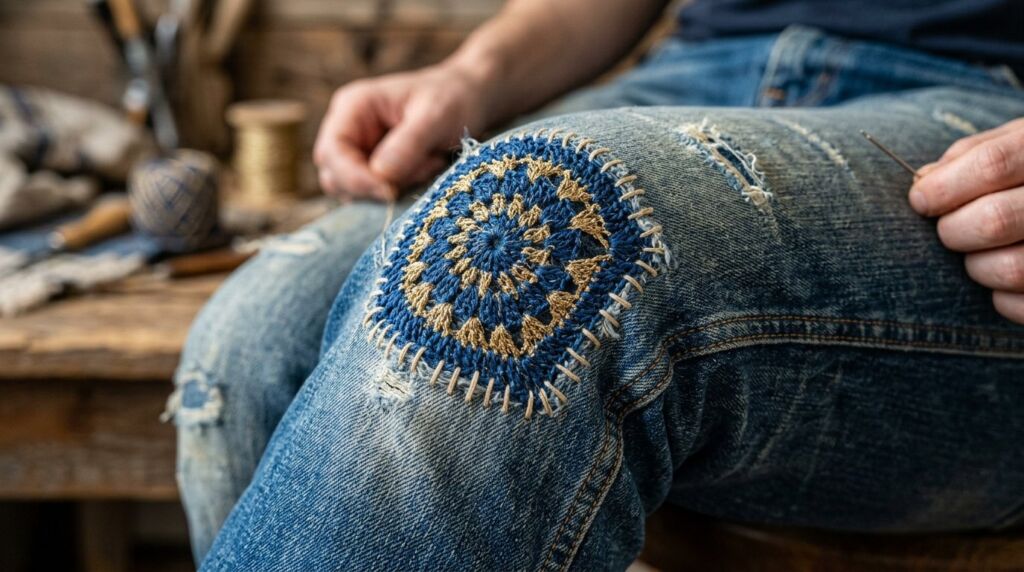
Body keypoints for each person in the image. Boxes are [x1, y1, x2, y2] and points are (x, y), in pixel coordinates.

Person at [167, 0, 1024, 569]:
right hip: (698, 71)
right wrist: (470, 78)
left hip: (978, 105)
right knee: (256, 341)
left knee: (536, 250)